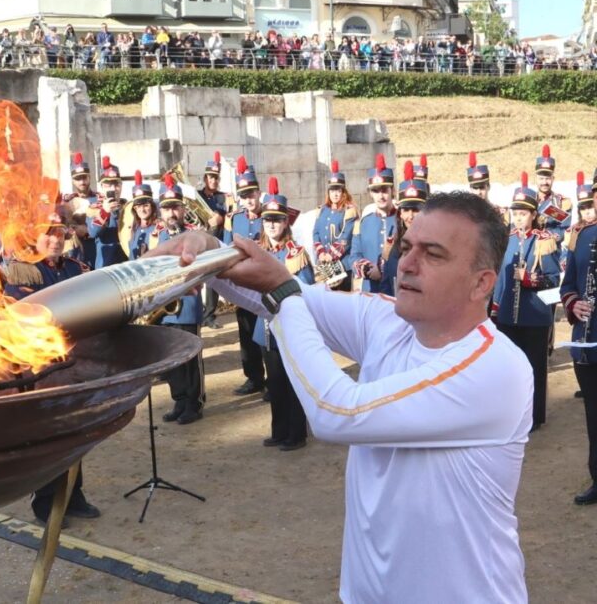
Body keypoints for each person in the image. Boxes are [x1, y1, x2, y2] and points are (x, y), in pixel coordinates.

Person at [149, 192, 532, 602]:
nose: (406, 263)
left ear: (481, 283)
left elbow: (337, 412)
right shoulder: (390, 321)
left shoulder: (495, 368)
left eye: (433, 254)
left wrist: (281, 293)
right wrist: (209, 255)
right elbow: (284, 297)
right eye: (406, 247)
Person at [4, 213, 100, 524]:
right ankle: (46, 502)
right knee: (49, 437)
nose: (55, 239)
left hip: (73, 363)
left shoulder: (76, 269)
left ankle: (74, 496)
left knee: (76, 429)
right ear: (35, 236)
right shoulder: (22, 272)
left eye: (60, 232)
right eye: (48, 233)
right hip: (41, 367)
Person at [492, 173, 560, 432]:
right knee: (510, 370)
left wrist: (530, 278)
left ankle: (534, 417)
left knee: (534, 370)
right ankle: (511, 415)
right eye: (515, 212)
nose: (519, 217)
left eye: (524, 213)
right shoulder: (506, 241)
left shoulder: (544, 241)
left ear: (533, 215)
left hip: (535, 318)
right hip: (509, 316)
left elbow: (554, 281)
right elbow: (499, 279)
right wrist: (496, 310)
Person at [254, 177, 314, 450]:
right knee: (274, 382)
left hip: (289, 326)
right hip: (265, 327)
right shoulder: (257, 253)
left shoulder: (297, 253)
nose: (272, 225)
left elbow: (306, 290)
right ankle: (278, 430)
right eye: (267, 220)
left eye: (277, 220)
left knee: (292, 383)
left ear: (286, 222)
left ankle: (296, 434)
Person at [149, 175, 205, 425]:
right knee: (170, 356)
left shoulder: (195, 235)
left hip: (188, 302)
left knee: (190, 356)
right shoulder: (154, 236)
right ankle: (179, 399)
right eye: (166, 208)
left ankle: (194, 402)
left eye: (175, 207)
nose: (171, 212)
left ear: (183, 209)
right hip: (164, 305)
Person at [561, 173, 597, 505]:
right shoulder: (581, 235)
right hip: (587, 342)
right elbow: (567, 284)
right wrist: (574, 302)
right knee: (593, 415)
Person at [223, 157, 266, 397]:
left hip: (264, 283)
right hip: (242, 283)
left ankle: (273, 378)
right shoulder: (235, 218)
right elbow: (228, 248)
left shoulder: (270, 215)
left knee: (268, 333)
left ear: (259, 193)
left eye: (252, 194)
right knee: (246, 332)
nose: (249, 199)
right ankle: (253, 377)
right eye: (244, 195)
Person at [349, 155, 396, 295]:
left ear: (392, 190)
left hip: (396, 292)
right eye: (376, 191)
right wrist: (367, 269)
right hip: (370, 291)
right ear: (370, 193)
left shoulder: (401, 219)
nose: (380, 196)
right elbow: (354, 256)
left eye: (384, 190)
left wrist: (382, 270)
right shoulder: (363, 222)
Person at [382, 161, 429, 295]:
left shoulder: (434, 246)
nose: (411, 216)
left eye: (416, 210)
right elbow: (386, 282)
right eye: (406, 210)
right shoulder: (392, 244)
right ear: (400, 213)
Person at [312, 160, 357, 292]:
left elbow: (346, 237)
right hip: (324, 264)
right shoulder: (322, 210)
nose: (335, 194)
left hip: (342, 265)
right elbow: (315, 233)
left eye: (338, 190)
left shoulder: (349, 210)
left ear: (343, 191)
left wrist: (331, 255)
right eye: (332, 190)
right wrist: (321, 253)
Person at [197, 152, 227, 327]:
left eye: (216, 178)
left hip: (215, 242)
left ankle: (209, 314)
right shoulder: (197, 196)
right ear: (205, 177)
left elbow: (226, 216)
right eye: (211, 177)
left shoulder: (222, 197)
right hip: (199, 239)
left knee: (213, 281)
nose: (214, 181)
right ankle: (196, 312)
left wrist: (220, 218)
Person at [86, 156, 127, 269]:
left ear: (121, 186)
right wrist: (105, 212)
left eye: (116, 184)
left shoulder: (128, 207)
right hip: (106, 268)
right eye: (108, 185)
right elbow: (93, 232)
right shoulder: (94, 208)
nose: (113, 189)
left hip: (127, 265)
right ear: (102, 187)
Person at [60, 152, 98, 269]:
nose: (82, 182)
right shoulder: (66, 202)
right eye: (78, 178)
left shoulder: (100, 200)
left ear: (89, 177)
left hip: (98, 256)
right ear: (72, 180)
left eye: (84, 177)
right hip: (75, 258)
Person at [533, 144, 573, 244]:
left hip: (550, 252)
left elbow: (563, 229)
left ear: (553, 179)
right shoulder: (528, 199)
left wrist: (546, 237)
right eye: (541, 178)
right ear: (535, 179)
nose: (544, 182)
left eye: (548, 178)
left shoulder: (561, 202)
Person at [123, 171, 158, 260]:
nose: (142, 210)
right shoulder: (134, 229)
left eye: (146, 206)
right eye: (138, 207)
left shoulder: (158, 228)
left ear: (152, 206)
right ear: (134, 209)